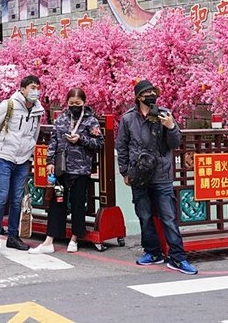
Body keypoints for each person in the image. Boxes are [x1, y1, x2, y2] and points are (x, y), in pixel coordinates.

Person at [116, 79, 198, 275]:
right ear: (138, 97)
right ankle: (152, 252)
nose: (151, 95)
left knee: (168, 217)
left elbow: (175, 142)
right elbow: (122, 146)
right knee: (144, 215)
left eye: (153, 92)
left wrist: (170, 126)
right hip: (139, 174)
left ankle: (178, 257)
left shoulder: (164, 114)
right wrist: (125, 171)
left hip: (161, 174)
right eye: (147, 93)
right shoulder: (128, 119)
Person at [30, 88, 103, 254]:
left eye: (78, 103)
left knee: (78, 204)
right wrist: (49, 161)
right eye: (71, 104)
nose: (74, 106)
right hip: (61, 168)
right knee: (58, 202)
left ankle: (75, 238)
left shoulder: (90, 121)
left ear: (84, 103)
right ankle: (49, 240)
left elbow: (99, 143)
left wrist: (81, 139)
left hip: (81, 169)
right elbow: (53, 141)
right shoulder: (62, 119)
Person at [0, 75, 45, 255]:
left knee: (17, 199)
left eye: (38, 87)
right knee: (1, 197)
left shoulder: (37, 110)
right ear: (23, 89)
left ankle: (13, 237)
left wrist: (30, 152)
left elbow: (35, 133)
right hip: (4, 157)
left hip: (23, 160)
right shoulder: (9, 105)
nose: (35, 91)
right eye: (32, 87)